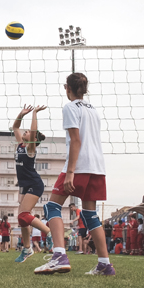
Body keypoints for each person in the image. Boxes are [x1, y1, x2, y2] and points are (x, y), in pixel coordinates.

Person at [35, 73, 114, 275]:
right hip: (97, 167)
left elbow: (76, 140)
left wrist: (70, 171)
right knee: (90, 215)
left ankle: (59, 256)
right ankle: (105, 264)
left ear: (67, 88)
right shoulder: (93, 110)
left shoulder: (70, 107)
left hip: (79, 165)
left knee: (51, 206)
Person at [11, 105, 53, 263]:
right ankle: (27, 249)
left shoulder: (30, 148)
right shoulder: (20, 145)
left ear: (33, 139)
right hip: (24, 186)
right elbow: (15, 127)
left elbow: (33, 132)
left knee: (24, 215)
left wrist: (34, 113)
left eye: (28, 132)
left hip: (34, 185)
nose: (25, 132)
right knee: (22, 219)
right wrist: (21, 114)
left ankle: (49, 233)